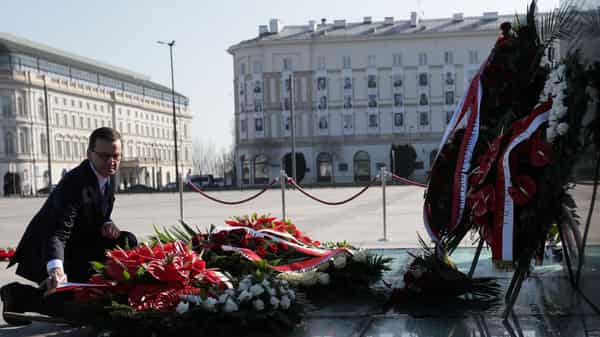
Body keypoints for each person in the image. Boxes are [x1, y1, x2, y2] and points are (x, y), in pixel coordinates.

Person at [1, 127, 137, 325]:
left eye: (116, 155)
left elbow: (98, 210)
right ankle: (16, 295)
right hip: (51, 249)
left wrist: (107, 223)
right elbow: (57, 232)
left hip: (81, 242)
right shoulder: (74, 183)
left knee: (127, 240)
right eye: (104, 156)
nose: (111, 161)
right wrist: (56, 268)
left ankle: (115, 288)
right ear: (89, 154)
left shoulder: (108, 173)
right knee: (77, 308)